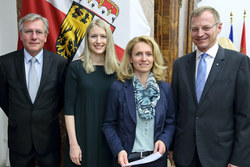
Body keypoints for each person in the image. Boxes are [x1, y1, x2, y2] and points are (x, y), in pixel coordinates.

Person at [170, 6, 250, 167]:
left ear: (219, 27)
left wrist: (238, 159)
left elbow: (245, 115)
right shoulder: (180, 65)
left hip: (221, 157)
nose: (200, 34)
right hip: (185, 156)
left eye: (206, 28)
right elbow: (175, 111)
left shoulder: (239, 62)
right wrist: (172, 149)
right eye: (195, 29)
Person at [0, 13, 67, 167]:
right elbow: (3, 97)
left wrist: (44, 113)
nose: (34, 36)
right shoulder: (5, 63)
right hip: (19, 139)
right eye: (29, 31)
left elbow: (61, 98)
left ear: (46, 36)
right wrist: (19, 114)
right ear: (21, 35)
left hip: (48, 139)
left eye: (39, 32)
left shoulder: (59, 64)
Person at [102, 36, 175, 167]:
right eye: (138, 54)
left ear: (154, 58)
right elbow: (109, 125)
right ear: (130, 58)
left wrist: (164, 140)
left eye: (148, 54)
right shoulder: (118, 88)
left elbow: (171, 123)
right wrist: (119, 150)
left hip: (156, 161)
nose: (144, 59)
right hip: (127, 161)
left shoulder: (165, 88)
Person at [64, 19, 119, 167]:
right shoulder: (76, 68)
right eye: (93, 36)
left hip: (110, 139)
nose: (98, 41)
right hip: (82, 137)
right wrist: (73, 144)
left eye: (103, 36)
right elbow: (68, 109)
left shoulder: (118, 70)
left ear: (109, 39)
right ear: (87, 39)